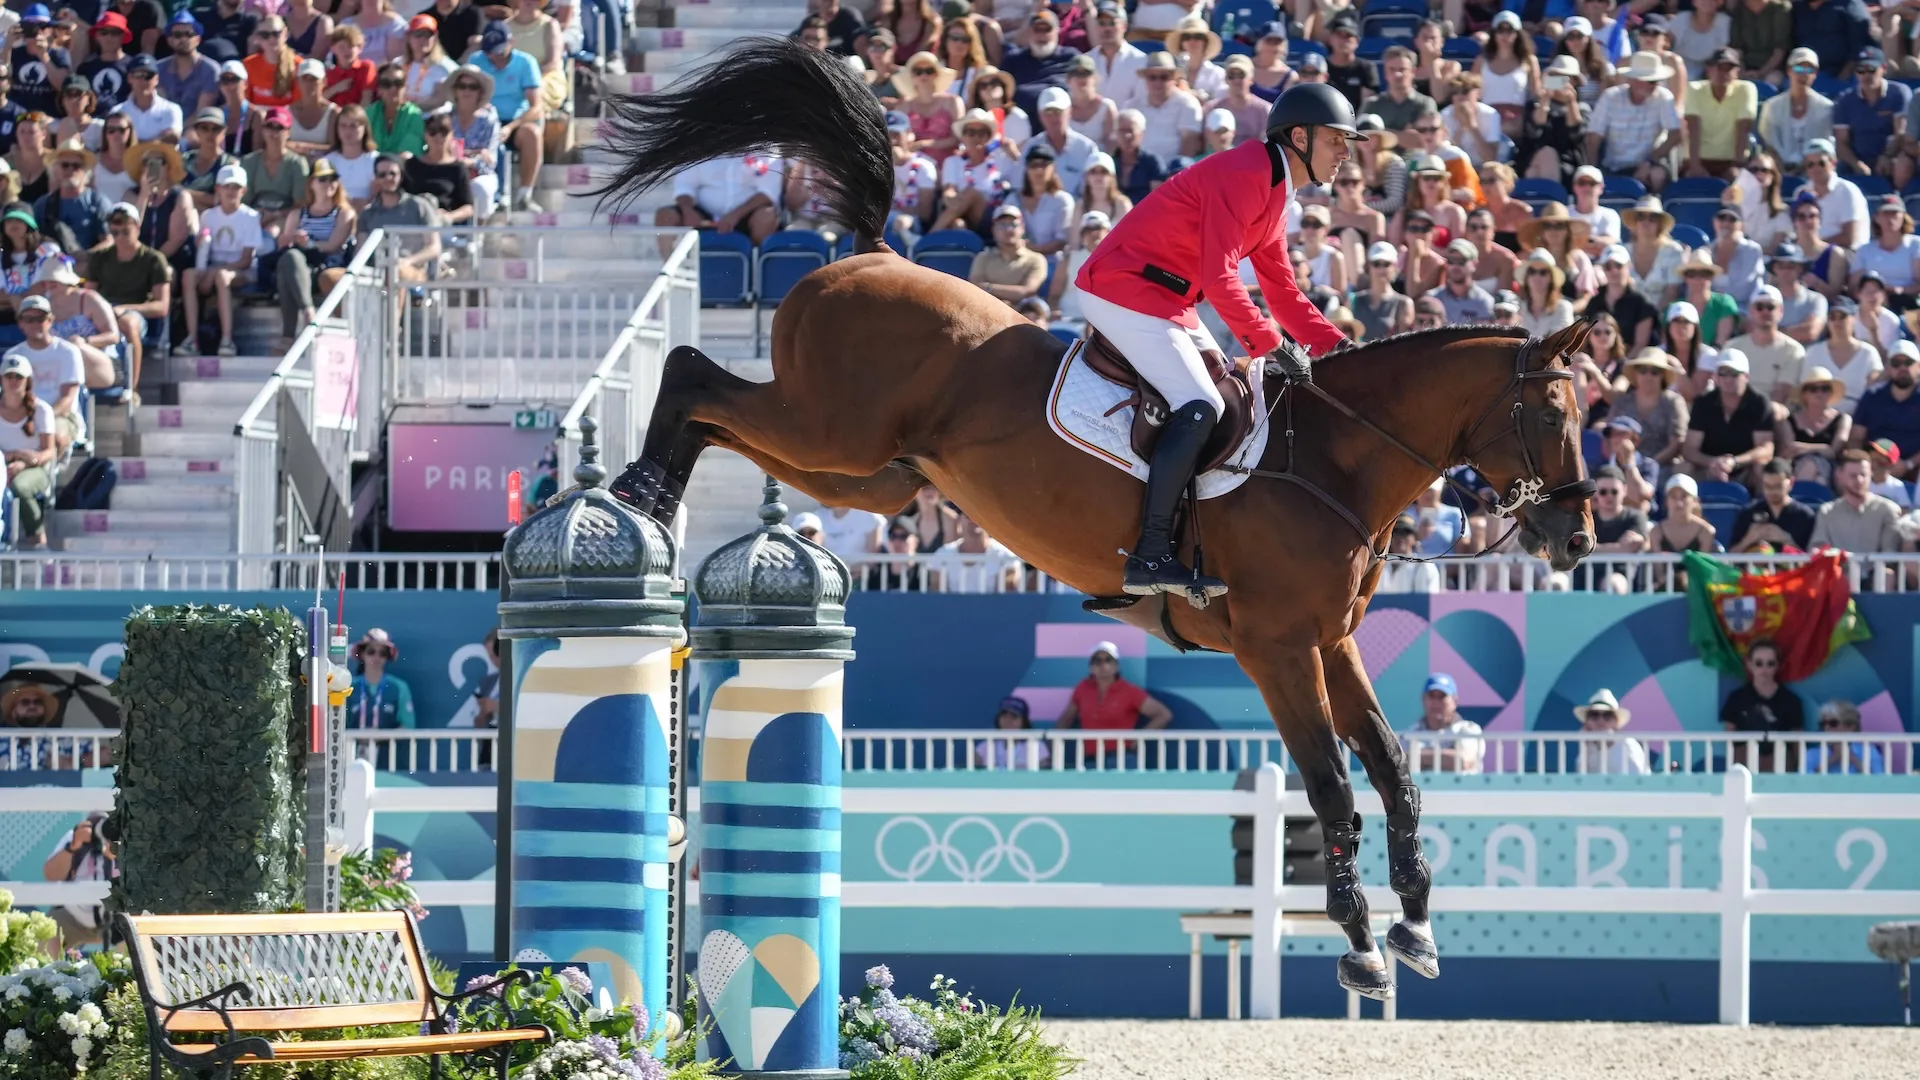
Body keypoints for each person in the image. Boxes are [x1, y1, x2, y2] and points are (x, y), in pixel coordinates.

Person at [1075, 83, 1356, 599]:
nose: (1345, 152)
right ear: (1300, 137)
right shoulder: (1247, 172)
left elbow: (1282, 290)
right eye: (1336, 139)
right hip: (1122, 289)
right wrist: (1270, 345)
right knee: (1200, 403)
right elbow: (1220, 276)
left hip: (1167, 300)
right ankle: (1151, 553)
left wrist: (1337, 348)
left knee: (1226, 394)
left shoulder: (1276, 189)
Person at [176, 162, 259, 357]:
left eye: (236, 187)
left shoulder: (251, 216)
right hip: (213, 268)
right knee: (189, 276)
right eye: (227, 186)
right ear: (218, 189)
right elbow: (204, 251)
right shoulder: (208, 216)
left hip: (241, 271)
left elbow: (246, 261)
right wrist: (204, 266)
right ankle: (191, 340)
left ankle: (227, 340)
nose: (231, 191)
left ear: (244, 191)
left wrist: (213, 273)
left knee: (222, 277)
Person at [85, 200, 166, 397]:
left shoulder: (153, 259)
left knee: (128, 324)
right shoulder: (100, 258)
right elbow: (88, 294)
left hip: (135, 313)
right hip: (103, 311)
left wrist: (125, 308)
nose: (120, 237)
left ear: (137, 227)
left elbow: (162, 306)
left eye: (125, 231)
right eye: (115, 232)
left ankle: (131, 387)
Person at [274, 157, 355, 344]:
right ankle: (308, 312)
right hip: (302, 268)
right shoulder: (297, 214)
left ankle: (288, 336)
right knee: (290, 257)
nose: (329, 183)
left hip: (327, 267)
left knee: (289, 267)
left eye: (333, 178)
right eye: (323, 179)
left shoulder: (344, 213)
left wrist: (309, 243)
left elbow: (334, 245)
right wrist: (288, 240)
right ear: (311, 183)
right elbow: (286, 244)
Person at [1052, 640, 1173, 764]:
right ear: (1091, 667)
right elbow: (1066, 719)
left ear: (1116, 665)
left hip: (1122, 759)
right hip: (1091, 760)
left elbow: (1163, 715)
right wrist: (1052, 750)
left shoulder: (1129, 691)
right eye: (1097, 661)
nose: (1103, 665)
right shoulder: (1082, 688)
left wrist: (1138, 738)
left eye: (1108, 660)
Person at [6, 289, 90, 456]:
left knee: (54, 436)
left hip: (62, 416)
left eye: (40, 318)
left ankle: (50, 470)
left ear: (50, 320)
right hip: (21, 416)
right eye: (28, 319)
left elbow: (68, 398)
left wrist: (42, 419)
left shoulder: (68, 352)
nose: (34, 324)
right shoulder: (13, 356)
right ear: (20, 323)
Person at [1588, 51, 1683, 193]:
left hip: (1649, 164)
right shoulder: (1610, 97)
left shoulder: (1663, 97)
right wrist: (1592, 171)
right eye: (1651, 81)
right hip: (1613, 165)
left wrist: (1650, 161)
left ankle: (1655, 203)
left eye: (1657, 80)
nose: (1655, 85)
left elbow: (1676, 134)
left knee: (1657, 175)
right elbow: (1593, 138)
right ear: (1633, 80)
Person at [474, 20, 542, 213]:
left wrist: (510, 128)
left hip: (514, 122)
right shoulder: (475, 61)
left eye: (499, 51)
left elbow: (536, 107)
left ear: (511, 42)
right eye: (489, 52)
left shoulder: (526, 62)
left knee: (532, 134)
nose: (493, 57)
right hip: (484, 121)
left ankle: (525, 194)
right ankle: (491, 197)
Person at [1682, 351, 1776, 483]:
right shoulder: (1703, 403)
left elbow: (1765, 448)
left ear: (1746, 377)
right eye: (1723, 373)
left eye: (1734, 374)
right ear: (1716, 377)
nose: (1728, 379)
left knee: (1762, 466)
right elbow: (1689, 449)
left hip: (1746, 468)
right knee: (1683, 468)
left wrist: (1735, 462)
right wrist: (1713, 462)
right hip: (1708, 468)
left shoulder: (1759, 403)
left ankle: (1762, 498)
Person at [1832, 45, 1910, 190]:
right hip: (1858, 158)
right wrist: (1856, 164)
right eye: (1861, 70)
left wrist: (1887, 156)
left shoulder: (1898, 93)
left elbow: (1900, 132)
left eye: (1871, 69)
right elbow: (1841, 142)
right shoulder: (1845, 99)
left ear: (1883, 68)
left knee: (1901, 164)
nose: (1866, 75)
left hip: (1891, 155)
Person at [1720, 638, 1804, 772]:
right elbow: (1729, 736)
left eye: (1770, 663)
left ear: (1777, 666)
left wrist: (1797, 769)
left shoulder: (1791, 701)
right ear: (1749, 664)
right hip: (1744, 763)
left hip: (1781, 765)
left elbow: (1797, 740)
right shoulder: (1736, 698)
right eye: (1759, 663)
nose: (1764, 669)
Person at [356, 153, 441, 280]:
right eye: (382, 175)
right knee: (332, 277)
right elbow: (361, 252)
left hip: (412, 271)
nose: (388, 178)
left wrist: (408, 261)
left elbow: (434, 247)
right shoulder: (367, 213)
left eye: (393, 173)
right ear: (376, 178)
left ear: (401, 176)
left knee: (396, 272)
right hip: (376, 274)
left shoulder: (419, 206)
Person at [0, 352, 55, 547]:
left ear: (28, 381)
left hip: (35, 469)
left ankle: (38, 538)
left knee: (20, 486)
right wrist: (11, 457)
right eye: (8, 376)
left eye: (19, 377)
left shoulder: (42, 410)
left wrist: (23, 462)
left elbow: (49, 451)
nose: (13, 381)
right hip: (2, 465)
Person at [40, 811, 114, 948]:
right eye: (94, 823)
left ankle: (128, 963)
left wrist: (116, 853)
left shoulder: (123, 839)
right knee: (46, 934)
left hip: (113, 916)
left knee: (136, 929)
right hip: (71, 915)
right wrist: (73, 847)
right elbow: (51, 875)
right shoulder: (73, 837)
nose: (100, 829)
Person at [1848, 341, 1920, 471]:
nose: (1902, 368)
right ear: (1889, 368)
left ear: (1919, 366)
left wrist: (1908, 464)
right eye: (1896, 363)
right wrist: (1868, 465)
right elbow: (1856, 438)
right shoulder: (1872, 396)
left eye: (1908, 362)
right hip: (1874, 468)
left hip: (1915, 468)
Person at [1810, 450, 1903, 551]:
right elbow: (1819, 546)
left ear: (1871, 474)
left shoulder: (1888, 510)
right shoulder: (1827, 512)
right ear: (1840, 475)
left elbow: (1890, 552)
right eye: (1853, 475)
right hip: (1838, 562)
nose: (1859, 480)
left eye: (1863, 475)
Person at [1401, 672, 1483, 773]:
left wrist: (1417, 756)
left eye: (1442, 696)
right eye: (1431, 696)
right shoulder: (1411, 732)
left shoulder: (1468, 729)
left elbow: (1463, 761)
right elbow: (1400, 763)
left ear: (1455, 701)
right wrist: (1446, 756)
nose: (1436, 702)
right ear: (1423, 699)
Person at [446, 63, 498, 222]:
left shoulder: (489, 120)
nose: (467, 91)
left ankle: (479, 233)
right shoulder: (445, 119)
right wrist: (475, 154)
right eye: (462, 86)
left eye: (473, 87)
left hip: (481, 174)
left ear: (480, 92)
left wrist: (469, 162)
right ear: (455, 90)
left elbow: (490, 160)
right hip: (450, 172)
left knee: (480, 188)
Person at [35, 140, 109, 250]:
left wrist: (86, 256)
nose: (70, 169)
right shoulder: (43, 205)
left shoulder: (98, 202)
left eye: (76, 166)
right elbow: (34, 240)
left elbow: (109, 241)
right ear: (55, 169)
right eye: (65, 165)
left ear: (85, 171)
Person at [1732, 457, 1818, 551]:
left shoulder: (1804, 516)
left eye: (1778, 486)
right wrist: (1749, 539)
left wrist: (1786, 540)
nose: (1772, 491)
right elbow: (1731, 555)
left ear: (1791, 483)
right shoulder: (1748, 513)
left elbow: (1812, 557)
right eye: (1767, 486)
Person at [1783, 365, 1851, 483]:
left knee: (1813, 466)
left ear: (1830, 393)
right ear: (1804, 394)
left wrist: (1804, 448)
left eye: (1825, 389)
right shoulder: (1790, 421)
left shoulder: (1842, 419)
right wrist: (1822, 448)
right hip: (1796, 469)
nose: (1819, 393)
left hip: (1831, 471)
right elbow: (1791, 450)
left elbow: (1833, 451)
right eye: (1813, 389)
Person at [967, 202, 1045, 303]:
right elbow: (975, 289)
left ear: (1022, 228)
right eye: (1002, 225)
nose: (1008, 230)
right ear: (993, 230)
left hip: (1020, 310)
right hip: (987, 308)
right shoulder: (983, 258)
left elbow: (1027, 292)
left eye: (1013, 225)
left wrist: (988, 287)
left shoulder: (1036, 259)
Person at [1573, 689, 1651, 775]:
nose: (1600, 721)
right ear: (1587, 722)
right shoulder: (1588, 747)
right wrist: (1584, 746)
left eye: (1607, 716)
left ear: (1616, 723)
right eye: (1594, 715)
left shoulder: (1628, 744)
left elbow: (1638, 778)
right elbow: (1581, 779)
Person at [160, 12, 221, 113]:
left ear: (198, 39)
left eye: (189, 34)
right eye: (177, 35)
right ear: (169, 40)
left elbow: (202, 111)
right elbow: (158, 107)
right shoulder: (159, 69)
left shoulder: (211, 69)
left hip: (198, 123)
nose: (183, 39)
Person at [1808, 699, 1885, 774]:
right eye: (1823, 724)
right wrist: (1832, 759)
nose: (1826, 727)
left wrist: (1852, 758)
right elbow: (1804, 779)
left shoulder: (1869, 751)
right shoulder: (1812, 754)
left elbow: (1879, 778)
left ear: (1850, 726)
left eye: (1833, 723)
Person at [973, 695, 1050, 769]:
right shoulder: (985, 746)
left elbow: (1044, 775)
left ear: (1024, 721)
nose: (1008, 720)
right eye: (1004, 716)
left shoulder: (1037, 747)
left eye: (1014, 716)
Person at [366, 61, 423, 155]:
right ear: (379, 89)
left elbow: (408, 153)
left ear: (405, 87)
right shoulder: (368, 114)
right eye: (386, 84)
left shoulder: (414, 115)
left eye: (398, 83)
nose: (393, 88)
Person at [400, 14, 455, 110]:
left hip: (432, 116)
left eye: (428, 35)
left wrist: (411, 107)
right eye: (418, 35)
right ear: (409, 37)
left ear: (435, 38)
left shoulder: (444, 66)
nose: (423, 39)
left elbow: (439, 99)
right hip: (402, 115)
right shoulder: (398, 64)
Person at [1378, 514, 1441, 593]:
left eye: (1406, 532)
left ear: (1415, 538)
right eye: (1396, 532)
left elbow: (1427, 599)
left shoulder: (1425, 566)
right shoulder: (1378, 564)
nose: (1400, 537)